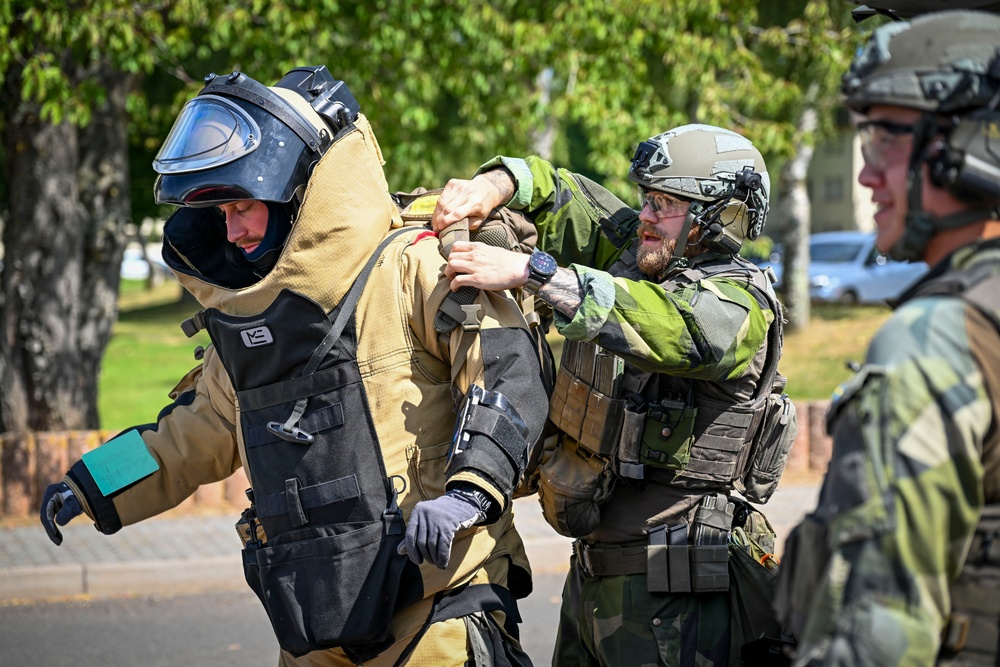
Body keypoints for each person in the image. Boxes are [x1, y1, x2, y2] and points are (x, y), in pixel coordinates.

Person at [37, 65, 551, 667]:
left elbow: (508, 372)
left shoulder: (414, 268)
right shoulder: (248, 327)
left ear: (296, 193)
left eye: (244, 205)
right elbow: (194, 432)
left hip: (438, 606)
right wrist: (90, 485)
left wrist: (471, 494)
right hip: (315, 621)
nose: (234, 230)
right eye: (221, 213)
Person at [431, 124, 797, 666]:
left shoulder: (740, 305)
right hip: (595, 580)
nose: (646, 214)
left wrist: (532, 273)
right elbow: (561, 195)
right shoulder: (639, 257)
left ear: (720, 217)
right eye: (648, 198)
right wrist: (497, 183)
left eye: (668, 203)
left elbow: (672, 326)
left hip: (683, 592)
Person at [774, 10, 1000, 666]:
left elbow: (877, 634)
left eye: (884, 139)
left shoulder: (933, 340)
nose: (868, 174)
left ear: (975, 142)